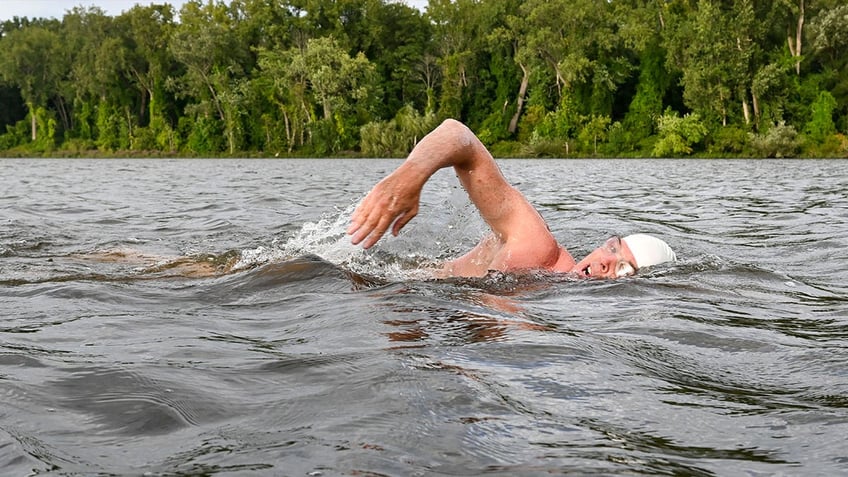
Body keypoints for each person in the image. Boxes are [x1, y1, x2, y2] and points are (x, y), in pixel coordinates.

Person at [347, 119, 676, 279]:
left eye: (622, 270)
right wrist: (410, 177)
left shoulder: (554, 298)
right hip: (370, 276)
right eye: (613, 248)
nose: (605, 262)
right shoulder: (537, 247)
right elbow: (457, 136)